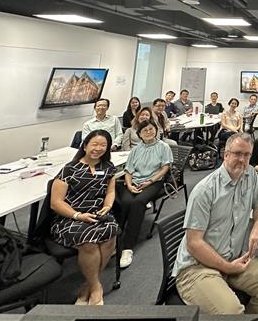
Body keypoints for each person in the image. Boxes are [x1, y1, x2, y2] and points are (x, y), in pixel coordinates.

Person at [173, 133, 258, 314]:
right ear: (226, 154)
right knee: (232, 311)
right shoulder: (205, 190)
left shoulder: (250, 174)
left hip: (233, 257)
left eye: (247, 155)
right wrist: (227, 267)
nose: (242, 160)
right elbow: (193, 243)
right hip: (197, 267)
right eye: (237, 153)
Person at [50, 130, 119, 306]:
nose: (98, 148)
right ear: (85, 145)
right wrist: (78, 215)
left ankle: (88, 285)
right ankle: (95, 288)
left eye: (103, 145)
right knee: (89, 242)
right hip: (70, 217)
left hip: (97, 214)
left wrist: (107, 206)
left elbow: (110, 192)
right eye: (94, 144)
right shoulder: (69, 169)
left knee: (111, 233)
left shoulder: (108, 167)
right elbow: (56, 203)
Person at [116, 120, 172, 268]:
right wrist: (129, 185)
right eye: (144, 130)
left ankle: (128, 247)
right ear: (139, 134)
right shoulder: (136, 150)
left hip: (154, 182)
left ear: (156, 130)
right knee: (125, 202)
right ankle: (114, 240)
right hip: (134, 182)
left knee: (138, 202)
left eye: (151, 129)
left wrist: (150, 181)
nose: (148, 132)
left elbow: (165, 168)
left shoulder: (163, 147)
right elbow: (128, 170)